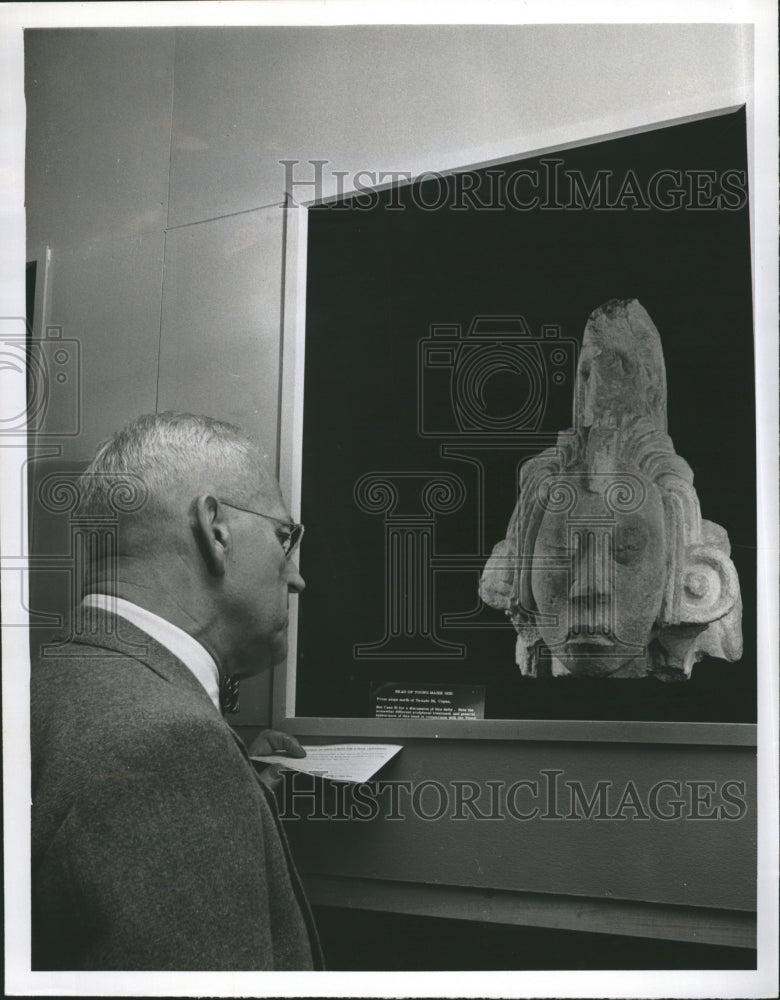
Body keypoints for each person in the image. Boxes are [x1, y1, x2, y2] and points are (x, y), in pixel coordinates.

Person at [31, 412, 322, 970]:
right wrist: (199, 775)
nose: (296, 577)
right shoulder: (169, 745)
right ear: (216, 530)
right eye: (285, 538)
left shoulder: (46, 685)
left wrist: (226, 790)